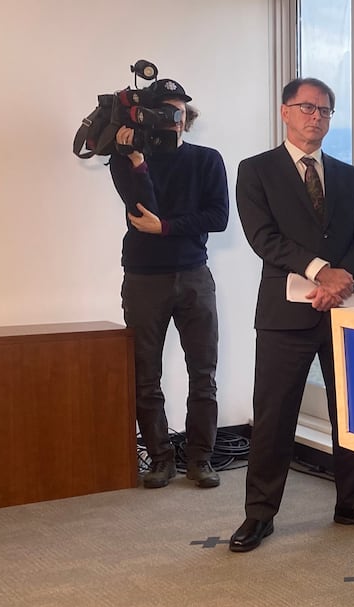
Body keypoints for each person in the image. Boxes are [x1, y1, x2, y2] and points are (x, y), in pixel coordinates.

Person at [231, 77, 354, 553]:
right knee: (274, 415)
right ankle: (259, 514)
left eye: (325, 111)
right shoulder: (255, 171)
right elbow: (264, 237)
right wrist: (322, 272)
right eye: (307, 108)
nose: (316, 117)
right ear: (285, 112)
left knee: (350, 410)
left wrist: (344, 278)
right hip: (285, 314)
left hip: (344, 312)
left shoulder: (348, 176)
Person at [108, 78, 229, 489]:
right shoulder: (125, 160)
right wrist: (138, 160)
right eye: (164, 112)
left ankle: (201, 459)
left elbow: (218, 218)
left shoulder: (207, 159)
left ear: (187, 119)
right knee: (145, 374)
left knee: (204, 372)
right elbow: (143, 213)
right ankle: (160, 459)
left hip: (195, 274)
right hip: (143, 278)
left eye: (179, 113)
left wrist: (167, 228)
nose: (172, 121)